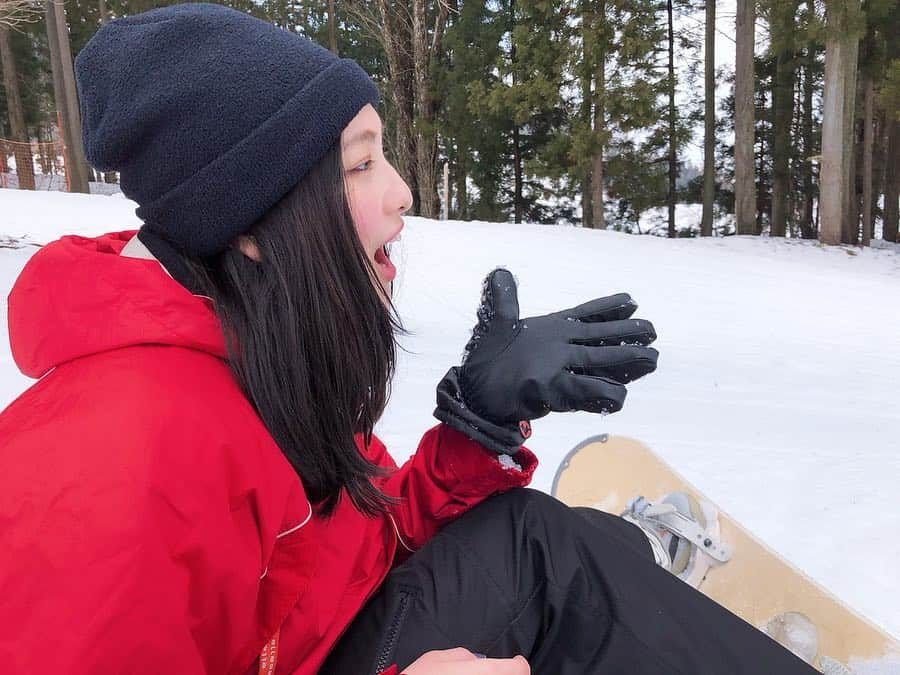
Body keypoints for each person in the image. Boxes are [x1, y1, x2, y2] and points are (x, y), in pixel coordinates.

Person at [0, 4, 816, 674]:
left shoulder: (249, 347)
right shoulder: (113, 469)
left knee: (545, 545)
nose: (400, 192)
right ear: (250, 222)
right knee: (559, 569)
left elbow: (361, 549)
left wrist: (476, 427)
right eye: (360, 165)